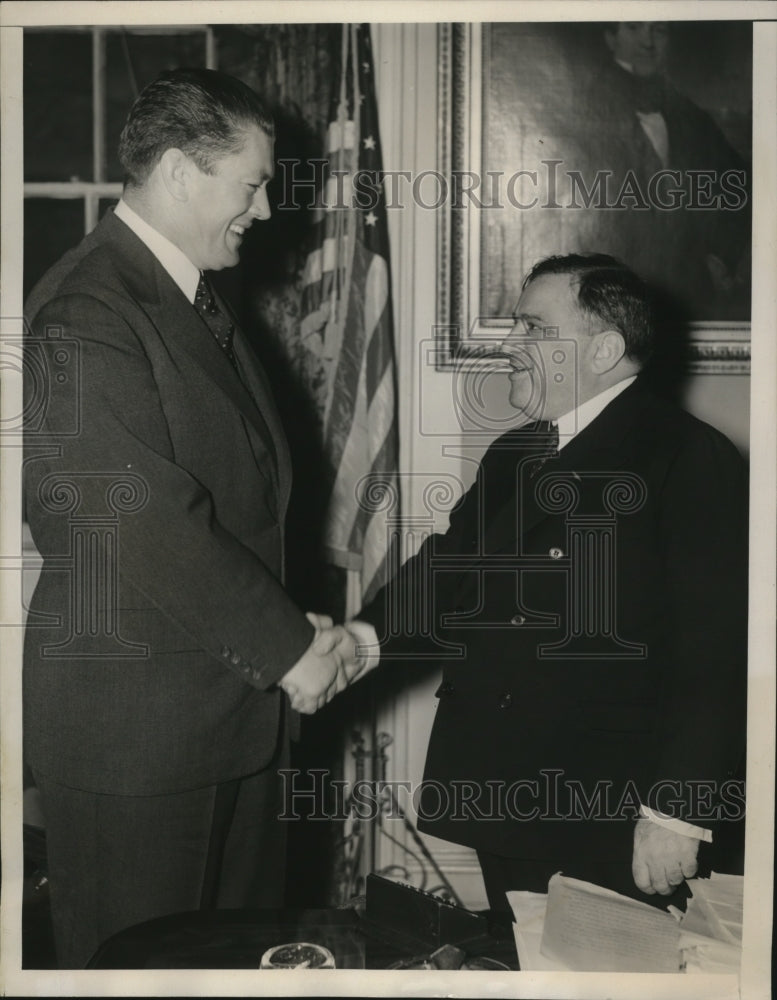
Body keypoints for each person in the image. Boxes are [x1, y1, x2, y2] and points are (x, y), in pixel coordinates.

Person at [23, 68, 350, 968]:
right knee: (138, 975)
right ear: (176, 172)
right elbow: (139, 522)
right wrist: (287, 648)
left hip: (226, 719)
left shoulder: (187, 296)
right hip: (138, 737)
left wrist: (281, 647)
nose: (262, 209)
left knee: (239, 972)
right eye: (248, 184)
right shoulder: (87, 309)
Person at [340, 253, 748, 914]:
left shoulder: (684, 454)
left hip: (608, 808)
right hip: (506, 793)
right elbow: (447, 570)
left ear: (604, 349)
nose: (509, 346)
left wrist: (678, 812)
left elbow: (717, 653)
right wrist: (357, 642)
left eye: (533, 328)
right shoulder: (516, 451)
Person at [574, 21, 751, 319]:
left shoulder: (688, 113)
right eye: (633, 28)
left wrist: (720, 254)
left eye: (659, 31)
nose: (648, 43)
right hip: (611, 284)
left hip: (686, 282)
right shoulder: (581, 109)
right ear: (610, 38)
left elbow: (736, 184)